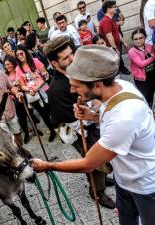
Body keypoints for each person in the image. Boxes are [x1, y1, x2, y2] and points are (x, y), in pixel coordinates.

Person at [32, 45, 155, 225]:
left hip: (145, 186)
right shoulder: (120, 87)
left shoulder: (124, 117)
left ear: (97, 85)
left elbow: (88, 164)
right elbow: (110, 120)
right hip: (125, 179)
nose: (72, 91)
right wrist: (92, 116)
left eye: (76, 86)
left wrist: (47, 166)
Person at [43, 37, 114, 208]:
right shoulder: (56, 89)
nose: (72, 59)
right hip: (81, 131)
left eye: (71, 54)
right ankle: (97, 192)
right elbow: (71, 119)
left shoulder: (77, 71)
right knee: (93, 161)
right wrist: (92, 116)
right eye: (65, 58)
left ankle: (103, 178)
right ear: (54, 63)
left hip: (93, 121)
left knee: (102, 159)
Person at [15, 45, 56, 142]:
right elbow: (22, 85)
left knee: (52, 111)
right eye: (17, 55)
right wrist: (29, 90)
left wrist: (37, 87)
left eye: (21, 53)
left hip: (45, 91)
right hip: (34, 96)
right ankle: (52, 130)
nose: (20, 56)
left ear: (25, 53)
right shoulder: (18, 69)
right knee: (44, 114)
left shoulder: (35, 61)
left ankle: (61, 129)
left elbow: (45, 76)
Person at [4, 55, 42, 144]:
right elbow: (7, 87)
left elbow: (24, 81)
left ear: (13, 64)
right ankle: (27, 134)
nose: (7, 67)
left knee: (30, 113)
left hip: (24, 95)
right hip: (15, 99)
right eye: (5, 65)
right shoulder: (6, 75)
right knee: (22, 118)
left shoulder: (18, 70)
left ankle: (36, 130)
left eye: (8, 64)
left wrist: (20, 86)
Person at [99, 0, 130, 75]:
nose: (116, 8)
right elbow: (109, 37)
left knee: (117, 67)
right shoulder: (106, 21)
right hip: (110, 50)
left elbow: (117, 33)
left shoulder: (111, 19)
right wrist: (115, 49)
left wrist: (123, 42)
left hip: (114, 49)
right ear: (108, 9)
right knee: (114, 71)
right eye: (114, 7)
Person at [128, 28, 155, 107]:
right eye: (135, 39)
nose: (138, 41)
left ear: (145, 37)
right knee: (147, 99)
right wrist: (153, 57)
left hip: (153, 75)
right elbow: (141, 64)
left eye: (141, 38)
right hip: (143, 80)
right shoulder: (132, 51)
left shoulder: (149, 46)